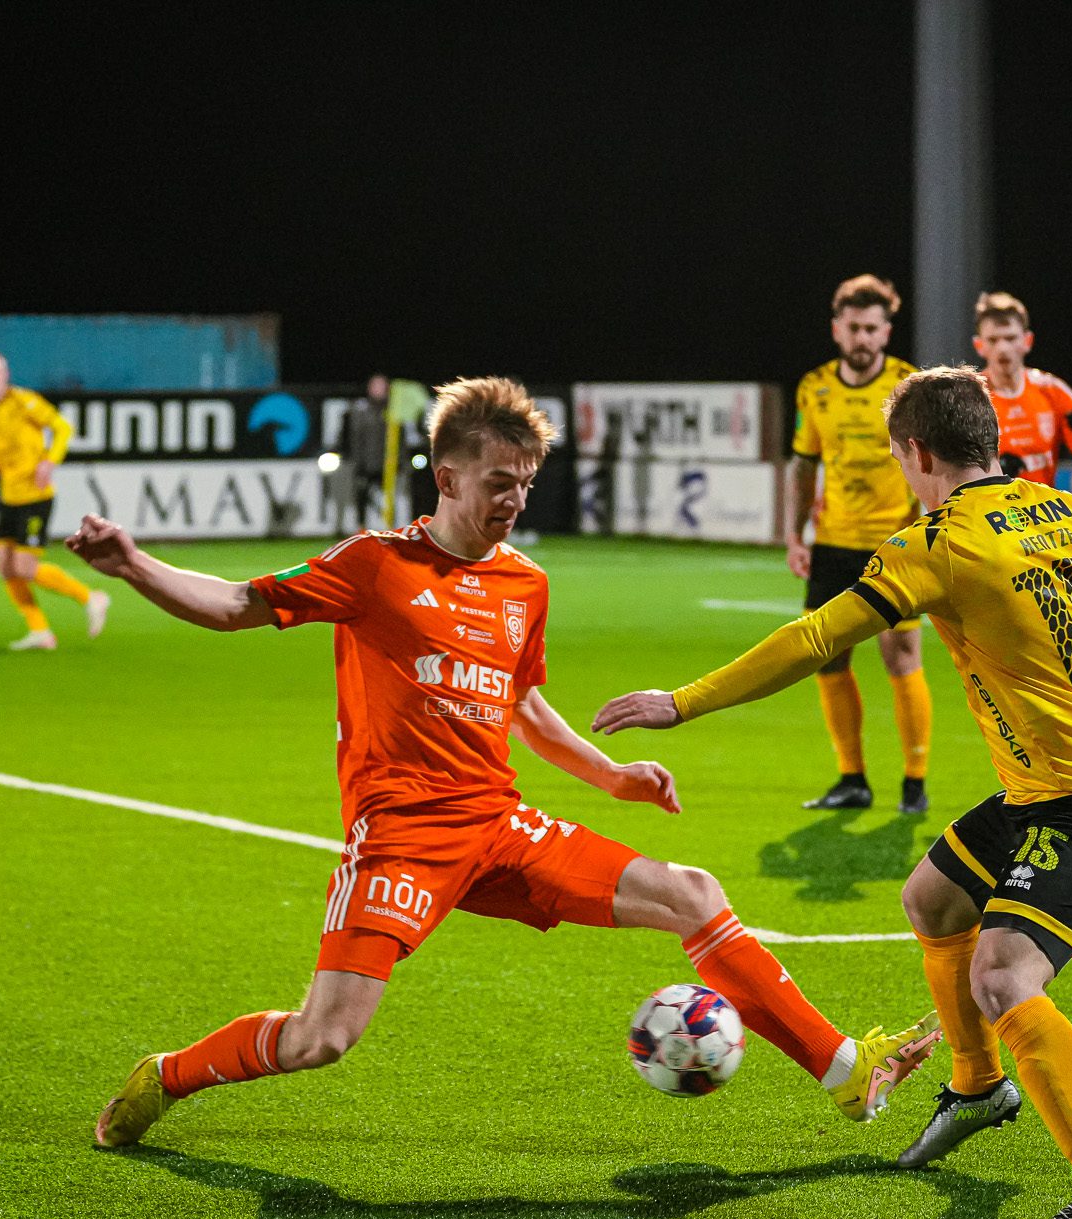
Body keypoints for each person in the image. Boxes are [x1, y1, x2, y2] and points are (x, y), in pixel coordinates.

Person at [72, 377, 940, 1150]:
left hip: (498, 824)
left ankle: (844, 1069)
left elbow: (520, 704)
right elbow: (235, 603)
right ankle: (168, 1074)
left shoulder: (526, 583)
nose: (516, 499)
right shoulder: (374, 565)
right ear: (448, 477)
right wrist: (133, 565)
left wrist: (611, 776)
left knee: (694, 892)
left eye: (525, 481)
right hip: (403, 836)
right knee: (322, 1039)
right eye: (499, 482)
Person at [595, 365, 1072, 1219]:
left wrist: (683, 702)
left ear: (918, 453)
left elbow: (815, 636)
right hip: (1054, 788)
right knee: (932, 899)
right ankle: (978, 1085)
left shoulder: (936, 543)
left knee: (1001, 976)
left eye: (900, 457)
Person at [788, 275, 932, 815]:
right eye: (854, 328)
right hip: (832, 543)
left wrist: (928, 529)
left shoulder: (908, 386)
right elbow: (804, 464)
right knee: (827, 658)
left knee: (901, 658)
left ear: (887, 331)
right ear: (836, 329)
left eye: (872, 328)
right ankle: (852, 778)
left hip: (894, 544)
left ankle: (914, 784)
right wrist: (794, 534)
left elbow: (930, 462)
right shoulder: (814, 388)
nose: (863, 338)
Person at [0, 349, 108, 651]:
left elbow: (62, 427)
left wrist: (50, 461)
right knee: (5, 567)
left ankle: (91, 598)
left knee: (24, 568)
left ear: (5, 375)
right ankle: (40, 632)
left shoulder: (24, 401)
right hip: (8, 497)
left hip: (35, 497)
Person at [970, 292, 1072, 485]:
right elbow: (948, 474)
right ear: (979, 345)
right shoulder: (970, 397)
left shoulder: (1053, 391)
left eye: (1010, 338)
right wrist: (991, 473)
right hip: (989, 504)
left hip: (1043, 504)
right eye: (993, 340)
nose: (1003, 348)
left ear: (1027, 341)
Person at [338, 373, 391, 530]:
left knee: (387, 499)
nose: (378, 389)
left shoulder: (392, 411)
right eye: (375, 385)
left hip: (386, 464)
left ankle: (389, 528)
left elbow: (401, 440)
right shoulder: (358, 410)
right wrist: (353, 459)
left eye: (381, 386)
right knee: (361, 496)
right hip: (363, 464)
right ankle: (361, 528)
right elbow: (349, 436)